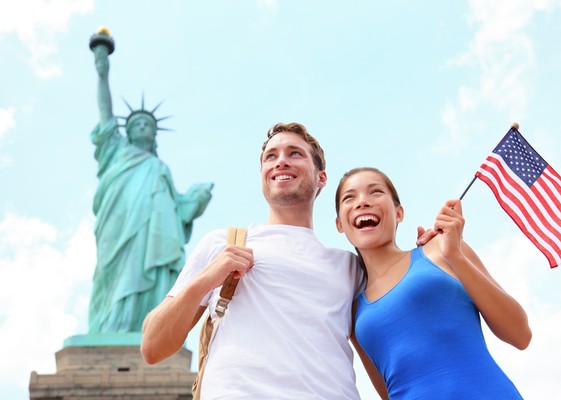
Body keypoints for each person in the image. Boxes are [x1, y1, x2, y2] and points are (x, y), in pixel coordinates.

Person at [140, 122, 365, 399]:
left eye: (295, 153)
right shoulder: (222, 243)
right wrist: (206, 280)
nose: (281, 161)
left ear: (321, 178)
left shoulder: (350, 267)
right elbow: (152, 346)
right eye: (271, 156)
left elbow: (382, 352)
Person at [335, 167, 532, 400]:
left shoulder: (441, 249)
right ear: (339, 224)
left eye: (375, 192)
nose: (362, 202)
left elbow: (520, 334)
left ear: (399, 213)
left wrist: (455, 255)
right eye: (349, 197)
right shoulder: (354, 310)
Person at [88, 38, 213, 333]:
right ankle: (108, 330)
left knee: (155, 275)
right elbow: (106, 114)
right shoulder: (115, 151)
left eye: (149, 124)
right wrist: (102, 72)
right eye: (137, 124)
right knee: (113, 277)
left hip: (155, 236)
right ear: (127, 131)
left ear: (154, 134)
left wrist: (195, 200)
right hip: (118, 229)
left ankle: (148, 330)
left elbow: (176, 209)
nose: (143, 126)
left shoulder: (160, 168)